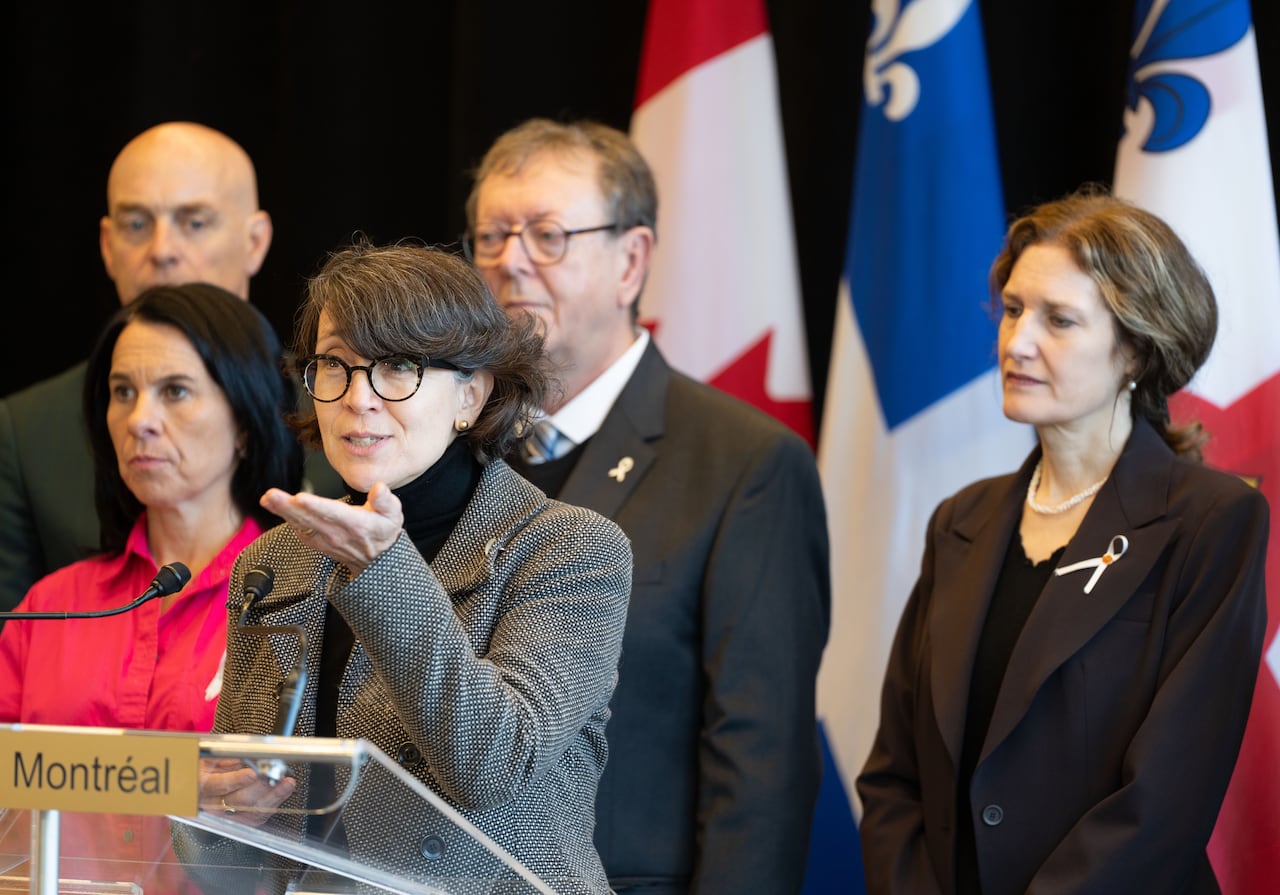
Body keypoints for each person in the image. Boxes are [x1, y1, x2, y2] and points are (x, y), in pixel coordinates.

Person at [177, 239, 633, 894]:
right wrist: (212, 815)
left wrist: (383, 570)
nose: (357, 397)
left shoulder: (570, 550)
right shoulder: (273, 561)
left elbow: (491, 763)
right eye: (334, 365)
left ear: (470, 395)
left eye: (397, 367)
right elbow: (230, 854)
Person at [856, 187, 1270, 895]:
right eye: (1014, 309)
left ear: (1137, 348)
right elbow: (896, 775)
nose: (1016, 342)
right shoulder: (960, 519)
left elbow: (1163, 801)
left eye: (1060, 320)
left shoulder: (1212, 522)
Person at [464, 117, 831, 894]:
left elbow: (760, 762)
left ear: (631, 260)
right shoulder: (448, 453)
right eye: (491, 236)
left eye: (547, 235)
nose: (510, 263)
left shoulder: (745, 463)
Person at [0, 282, 305, 891]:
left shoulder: (300, 599)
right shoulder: (53, 605)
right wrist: (172, 776)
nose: (140, 420)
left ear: (245, 422)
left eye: (175, 391)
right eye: (122, 393)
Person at [0, 120, 339, 617]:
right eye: (137, 224)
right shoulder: (27, 429)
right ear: (107, 245)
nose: (161, 250)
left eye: (194, 222)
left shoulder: (342, 407)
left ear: (255, 241)